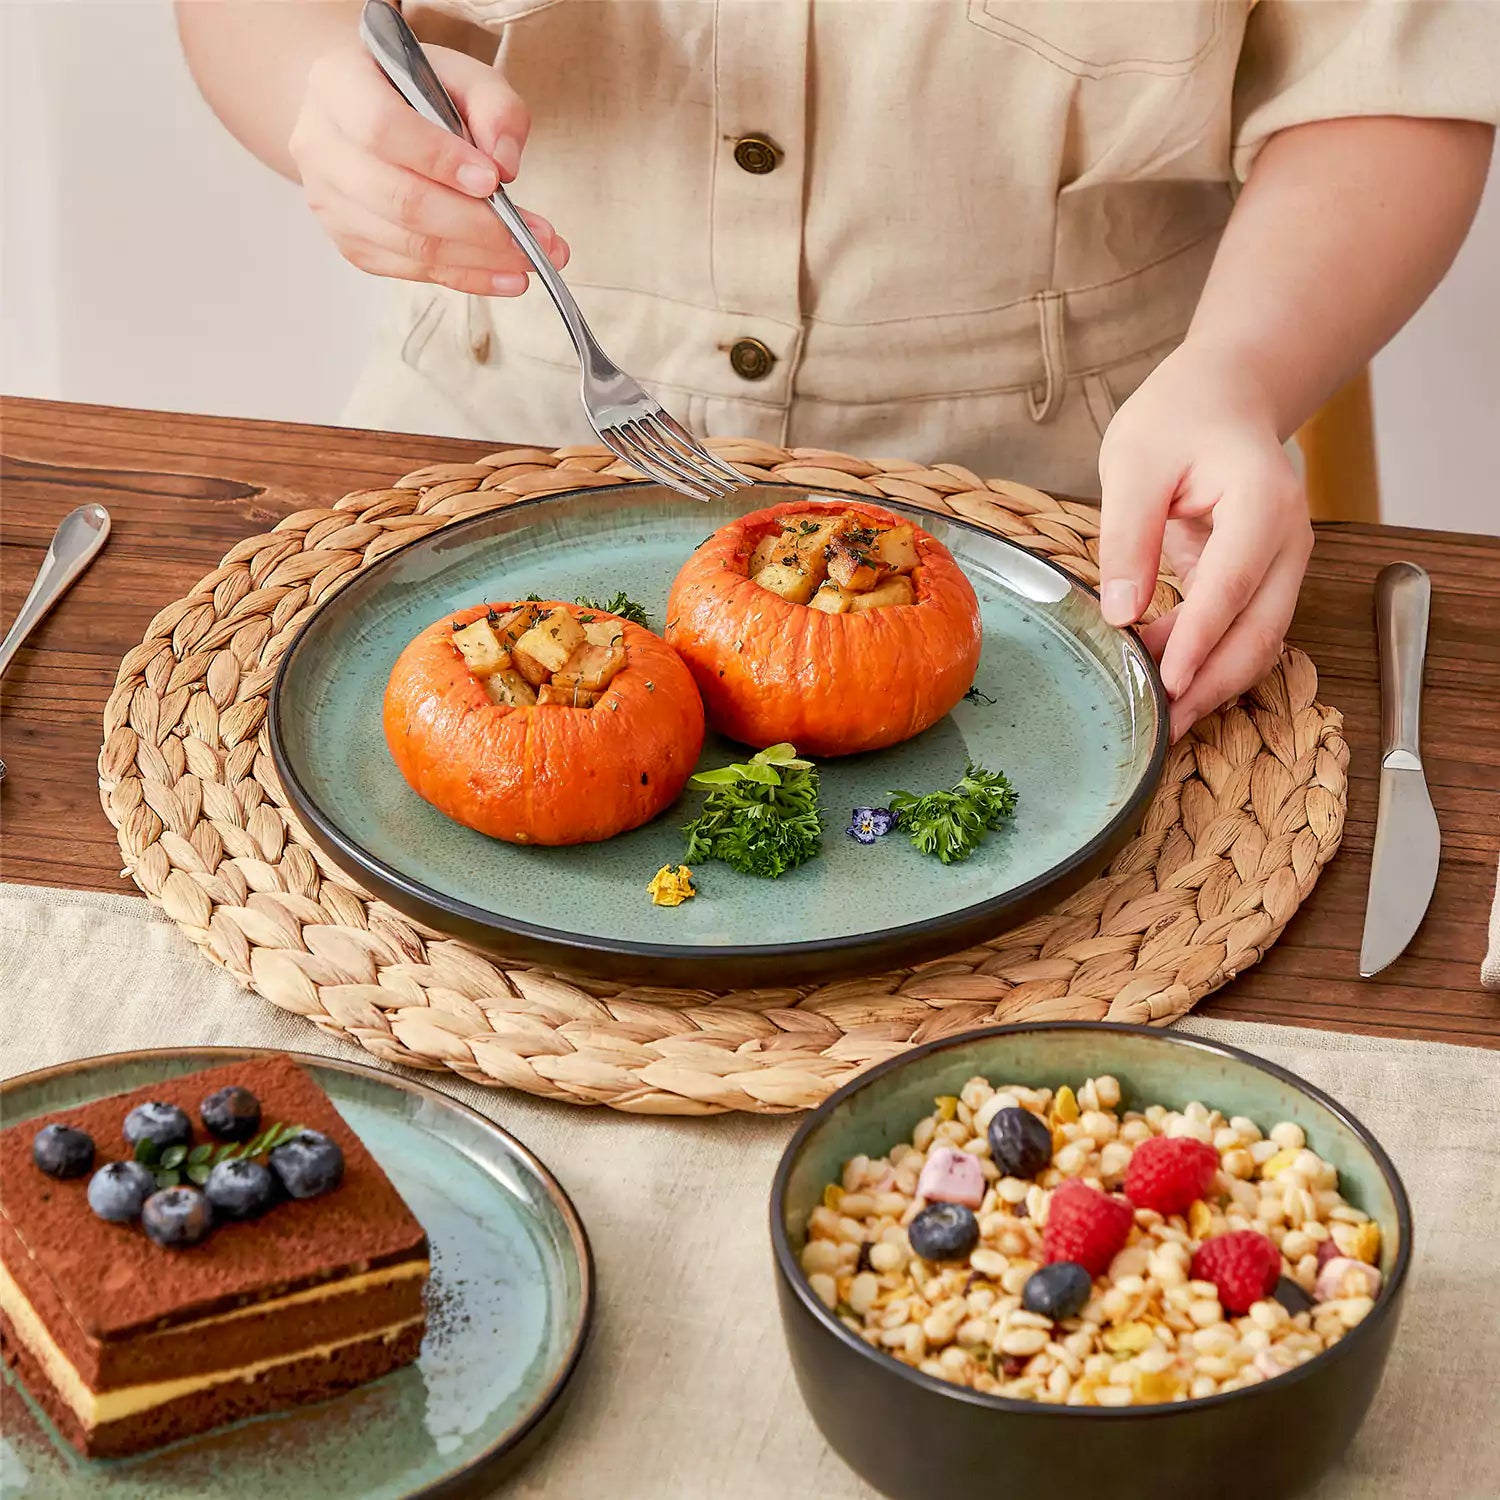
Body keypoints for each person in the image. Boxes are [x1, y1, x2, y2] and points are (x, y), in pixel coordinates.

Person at [178, 0, 1496, 740]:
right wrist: (319, 101)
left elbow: (1387, 69)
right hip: (483, 439)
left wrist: (1245, 372)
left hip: (1090, 514)